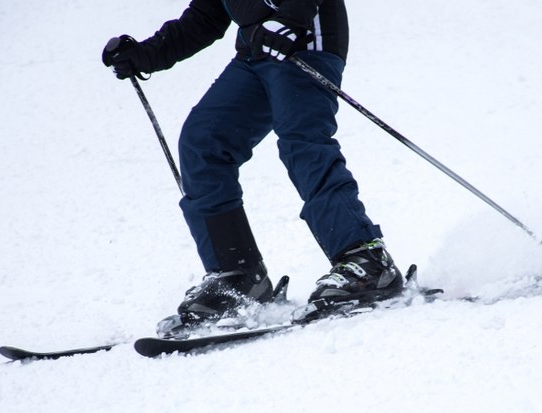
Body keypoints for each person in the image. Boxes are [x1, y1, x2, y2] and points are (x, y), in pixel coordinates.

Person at [102, 0, 402, 329]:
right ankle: (239, 277)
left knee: (302, 142)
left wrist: (290, 18)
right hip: (255, 50)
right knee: (203, 141)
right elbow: (205, 17)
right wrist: (146, 55)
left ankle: (366, 260)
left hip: (303, 42)